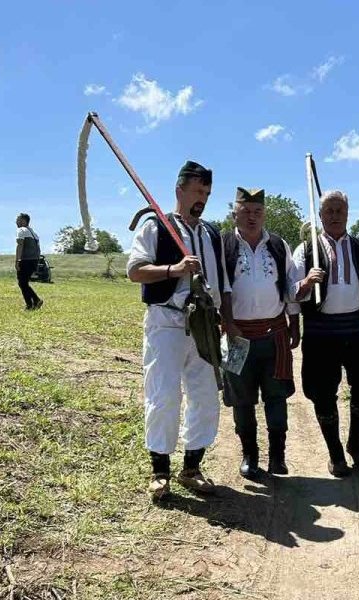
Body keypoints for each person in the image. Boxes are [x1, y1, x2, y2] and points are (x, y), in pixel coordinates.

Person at [126, 160, 239, 499]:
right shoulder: (155, 227)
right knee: (164, 394)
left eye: (207, 193)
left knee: (205, 395)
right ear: (180, 190)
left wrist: (227, 319)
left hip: (204, 322)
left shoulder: (211, 234)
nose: (202, 198)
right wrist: (174, 269)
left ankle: (192, 467)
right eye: (197, 191)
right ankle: (160, 470)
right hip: (167, 320)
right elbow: (135, 271)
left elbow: (223, 283)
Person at [293, 190, 359, 478]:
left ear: (348, 214)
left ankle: (355, 442)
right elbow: (289, 293)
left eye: (340, 210)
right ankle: (335, 453)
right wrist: (306, 282)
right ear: (320, 215)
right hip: (319, 330)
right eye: (329, 211)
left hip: (356, 327)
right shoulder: (306, 250)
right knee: (323, 393)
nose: (335, 216)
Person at [222, 188, 302, 480]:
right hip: (236, 335)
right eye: (246, 211)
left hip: (274, 333)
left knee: (276, 396)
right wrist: (225, 322)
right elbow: (217, 287)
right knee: (241, 399)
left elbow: (290, 286)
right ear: (235, 214)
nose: (252, 217)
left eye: (257, 212)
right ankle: (249, 455)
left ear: (264, 214)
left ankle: (278, 456)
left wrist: (295, 323)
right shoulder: (223, 245)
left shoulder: (279, 245)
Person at [14, 213, 43, 310]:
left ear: (23, 221)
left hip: (25, 260)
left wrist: (17, 261)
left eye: (18, 219)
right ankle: (34, 302)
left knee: (22, 283)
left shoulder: (21, 230)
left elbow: (20, 245)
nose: (16, 221)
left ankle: (32, 303)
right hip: (34, 260)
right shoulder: (34, 233)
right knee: (24, 283)